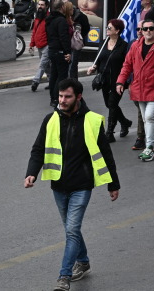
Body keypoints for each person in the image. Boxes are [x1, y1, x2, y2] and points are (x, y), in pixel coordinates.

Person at [24, 78, 120, 291]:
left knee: (72, 229)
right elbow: (38, 149)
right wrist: (31, 173)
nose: (62, 100)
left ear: (78, 97)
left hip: (82, 185)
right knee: (71, 229)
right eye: (60, 96)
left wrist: (113, 184)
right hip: (58, 185)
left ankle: (64, 277)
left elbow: (106, 154)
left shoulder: (93, 120)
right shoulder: (50, 120)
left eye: (67, 96)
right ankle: (83, 262)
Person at [115, 18, 154, 161]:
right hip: (139, 88)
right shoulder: (135, 46)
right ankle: (151, 147)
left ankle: (150, 146)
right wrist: (120, 81)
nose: (148, 31)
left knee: (148, 117)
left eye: (151, 28)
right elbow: (127, 65)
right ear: (141, 31)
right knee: (145, 118)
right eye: (145, 28)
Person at [87, 19, 131, 142]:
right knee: (109, 104)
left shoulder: (124, 45)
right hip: (104, 80)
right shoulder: (103, 43)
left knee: (112, 104)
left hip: (118, 81)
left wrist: (125, 81)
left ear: (117, 31)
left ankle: (110, 132)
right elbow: (99, 59)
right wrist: (93, 67)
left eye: (110, 28)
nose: (107, 29)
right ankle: (125, 122)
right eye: (107, 27)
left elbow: (127, 64)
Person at [46, 0, 73, 108]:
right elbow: (64, 37)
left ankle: (52, 97)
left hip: (52, 50)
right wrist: (68, 52)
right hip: (60, 51)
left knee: (54, 74)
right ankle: (56, 97)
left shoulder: (50, 19)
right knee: (61, 76)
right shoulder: (61, 20)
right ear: (62, 7)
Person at [30, 0, 50, 92]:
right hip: (39, 45)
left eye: (42, 5)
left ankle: (35, 81)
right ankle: (51, 81)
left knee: (42, 64)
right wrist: (31, 44)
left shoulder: (49, 18)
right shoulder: (37, 17)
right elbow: (34, 31)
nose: (40, 6)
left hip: (47, 45)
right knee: (46, 66)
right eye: (39, 4)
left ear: (47, 6)